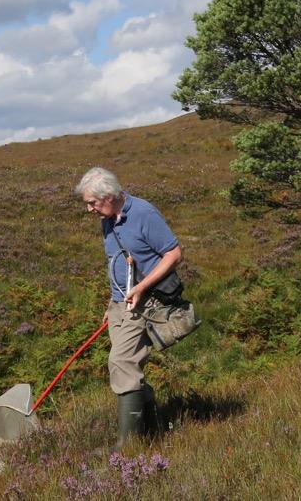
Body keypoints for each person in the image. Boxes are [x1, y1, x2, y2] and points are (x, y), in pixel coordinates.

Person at [75, 166, 184, 450]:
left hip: (146, 301)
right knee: (128, 365)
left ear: (109, 195)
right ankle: (150, 431)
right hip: (121, 304)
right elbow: (119, 262)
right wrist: (112, 305)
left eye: (93, 203)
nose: (89, 209)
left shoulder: (144, 213)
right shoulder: (108, 218)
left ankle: (129, 446)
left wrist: (141, 287)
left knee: (122, 363)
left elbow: (174, 253)